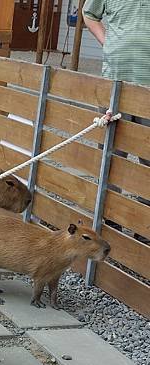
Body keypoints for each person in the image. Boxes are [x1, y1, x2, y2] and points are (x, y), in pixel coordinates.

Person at [83, 0, 150, 244]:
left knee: (148, 160)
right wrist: (106, 41)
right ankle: (109, 219)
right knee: (112, 155)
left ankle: (143, 227)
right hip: (115, 82)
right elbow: (89, 14)